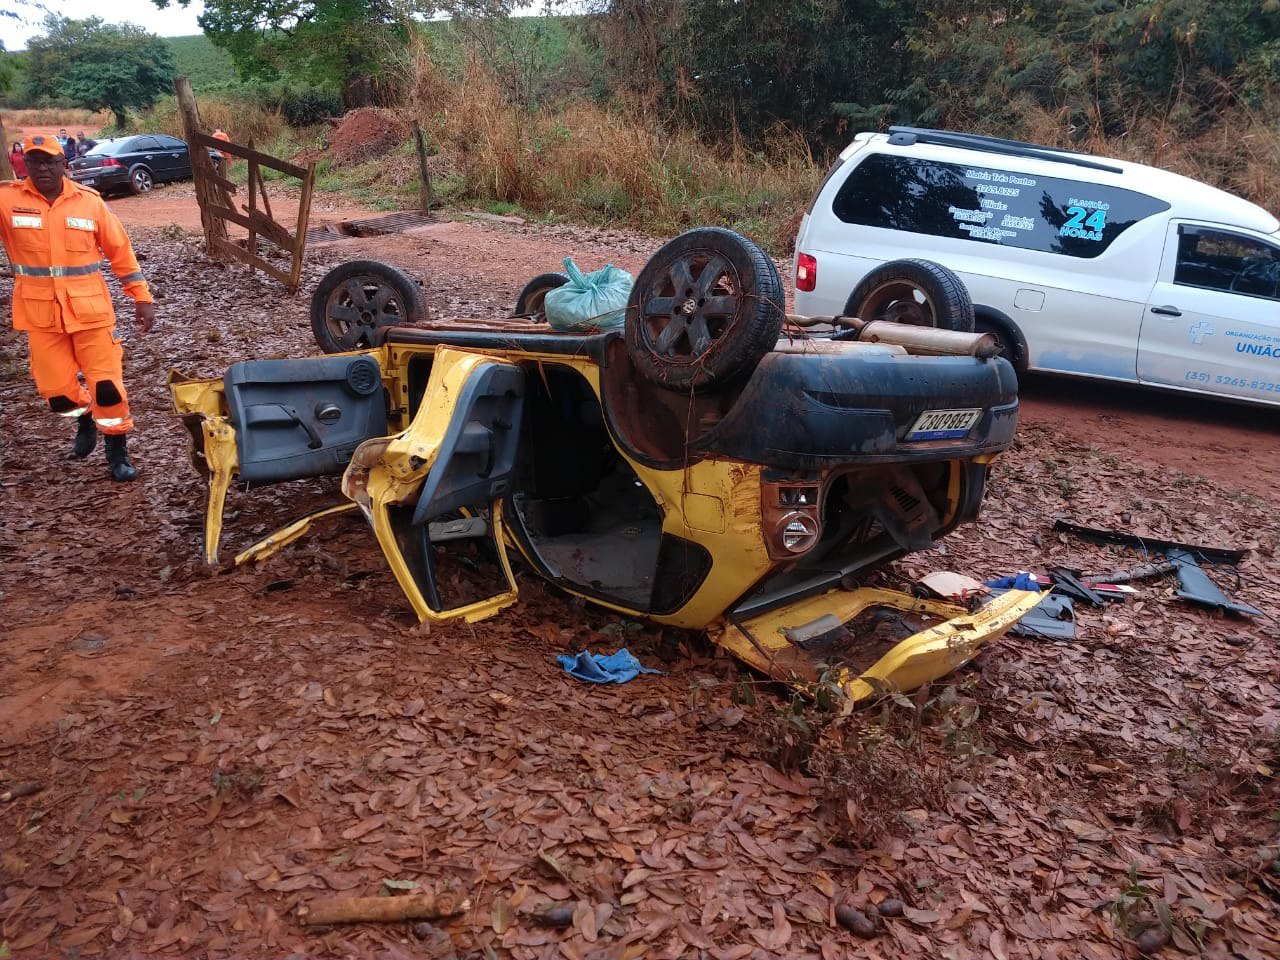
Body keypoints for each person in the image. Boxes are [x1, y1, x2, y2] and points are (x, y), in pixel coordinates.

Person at [0, 132, 156, 481]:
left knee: (107, 387)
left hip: (91, 313)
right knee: (57, 393)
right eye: (35, 161)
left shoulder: (90, 203)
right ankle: (84, 416)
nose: (42, 168)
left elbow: (121, 253)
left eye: (49, 161)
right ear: (25, 164)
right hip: (40, 315)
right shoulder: (6, 200)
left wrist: (141, 297)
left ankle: (117, 450)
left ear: (63, 164)